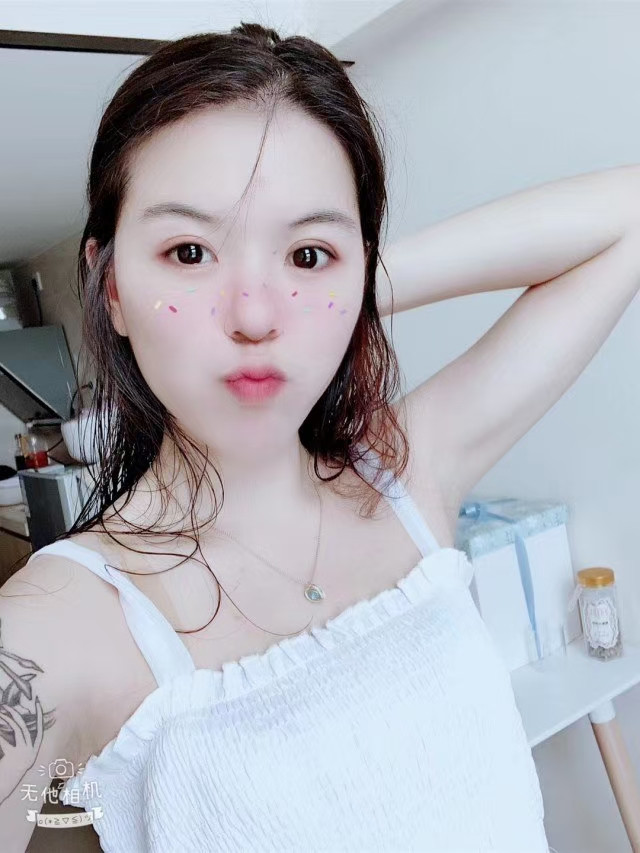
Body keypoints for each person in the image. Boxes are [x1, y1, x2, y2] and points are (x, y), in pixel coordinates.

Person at [10, 19, 638, 852]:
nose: (256, 314)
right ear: (111, 286)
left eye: (308, 255)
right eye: (190, 251)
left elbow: (625, 217)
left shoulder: (406, 479)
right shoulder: (69, 620)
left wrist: (349, 295)